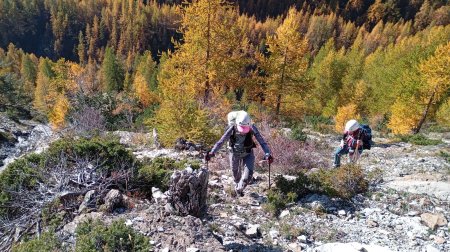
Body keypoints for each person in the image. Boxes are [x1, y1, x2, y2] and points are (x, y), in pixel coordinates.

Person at [205, 111, 273, 196]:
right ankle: (238, 188)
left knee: (248, 175)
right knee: (236, 175)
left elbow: (262, 142)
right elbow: (221, 141)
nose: (243, 132)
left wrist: (267, 153)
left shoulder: (252, 128)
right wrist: (212, 152)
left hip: (248, 153)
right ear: (237, 124)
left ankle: (238, 190)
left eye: (245, 129)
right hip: (234, 153)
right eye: (242, 129)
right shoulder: (232, 128)